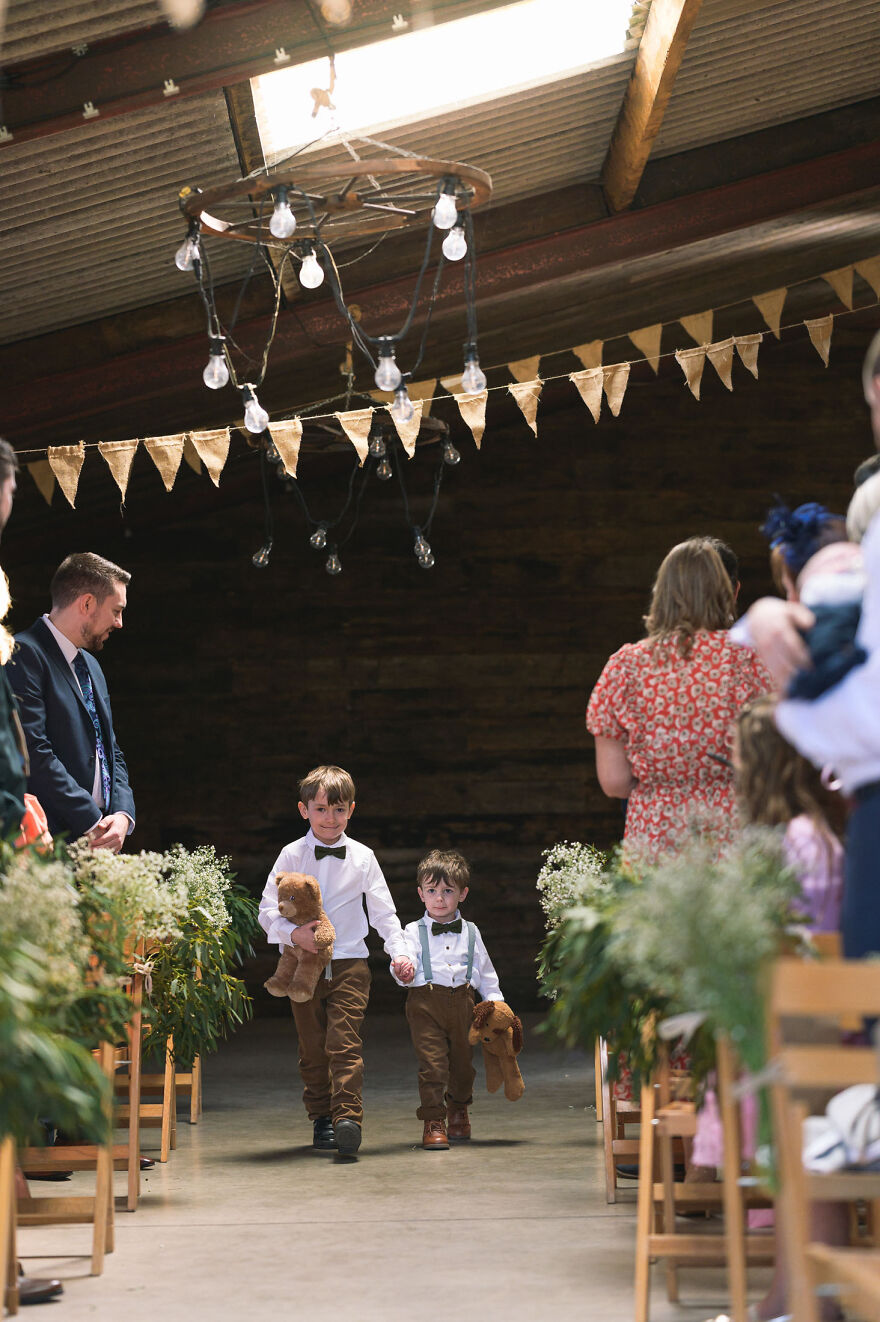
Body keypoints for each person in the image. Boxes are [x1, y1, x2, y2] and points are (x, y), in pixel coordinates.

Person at [258, 764, 414, 1158]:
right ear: (304, 810)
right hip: (299, 966)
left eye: (339, 810)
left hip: (349, 964)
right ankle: (322, 1117)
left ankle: (348, 1118)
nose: (331, 818)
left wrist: (399, 952)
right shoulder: (291, 854)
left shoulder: (363, 857)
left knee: (344, 1042)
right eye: (322, 809)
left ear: (352, 810)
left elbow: (383, 913)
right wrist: (292, 935)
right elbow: (266, 910)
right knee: (312, 1047)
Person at [586, 536, 770, 862]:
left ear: (662, 592)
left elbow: (614, 782)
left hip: (654, 835)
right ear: (727, 591)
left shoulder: (625, 666)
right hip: (734, 829)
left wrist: (667, 787)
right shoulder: (751, 659)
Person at [8, 552, 135, 849]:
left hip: (98, 835)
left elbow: (109, 749)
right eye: (116, 611)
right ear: (87, 603)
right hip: (50, 838)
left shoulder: (91, 664)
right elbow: (33, 752)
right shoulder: (23, 654)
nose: (119, 623)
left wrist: (121, 814)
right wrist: (91, 821)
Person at [391, 849, 502, 1151]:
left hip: (464, 1003)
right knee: (433, 1065)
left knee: (463, 1066)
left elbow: (486, 972)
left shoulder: (472, 932)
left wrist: (497, 1004)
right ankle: (433, 1120)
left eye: (447, 891)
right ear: (420, 894)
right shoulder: (412, 931)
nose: (439, 898)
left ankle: (458, 1108)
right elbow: (403, 963)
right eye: (432, 891)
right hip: (425, 1003)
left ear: (463, 893)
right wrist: (402, 970)